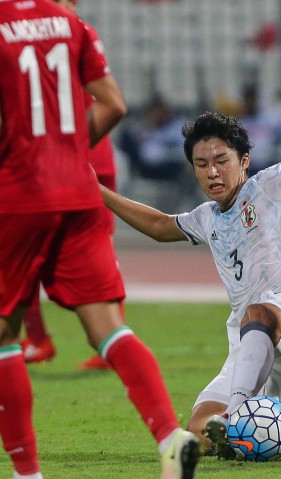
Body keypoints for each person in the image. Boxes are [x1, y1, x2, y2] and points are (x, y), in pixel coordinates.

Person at [99, 111, 281, 457]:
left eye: (221, 160)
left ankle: (236, 413)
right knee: (200, 433)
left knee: (258, 313)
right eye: (202, 164)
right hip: (249, 345)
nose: (212, 172)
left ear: (244, 160)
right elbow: (161, 227)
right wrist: (98, 192)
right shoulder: (206, 218)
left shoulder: (273, 183)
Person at [0, 1, 200, 478]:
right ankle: (170, 437)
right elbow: (113, 104)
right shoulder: (72, 23)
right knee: (108, 327)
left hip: (20, 193)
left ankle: (29, 474)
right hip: (81, 188)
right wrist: (65, 153)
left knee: (4, 335)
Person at [19, 0, 120, 371]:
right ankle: (41, 339)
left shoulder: (65, 34)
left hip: (79, 157)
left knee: (26, 249)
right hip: (78, 154)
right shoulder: (69, 34)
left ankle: (105, 338)